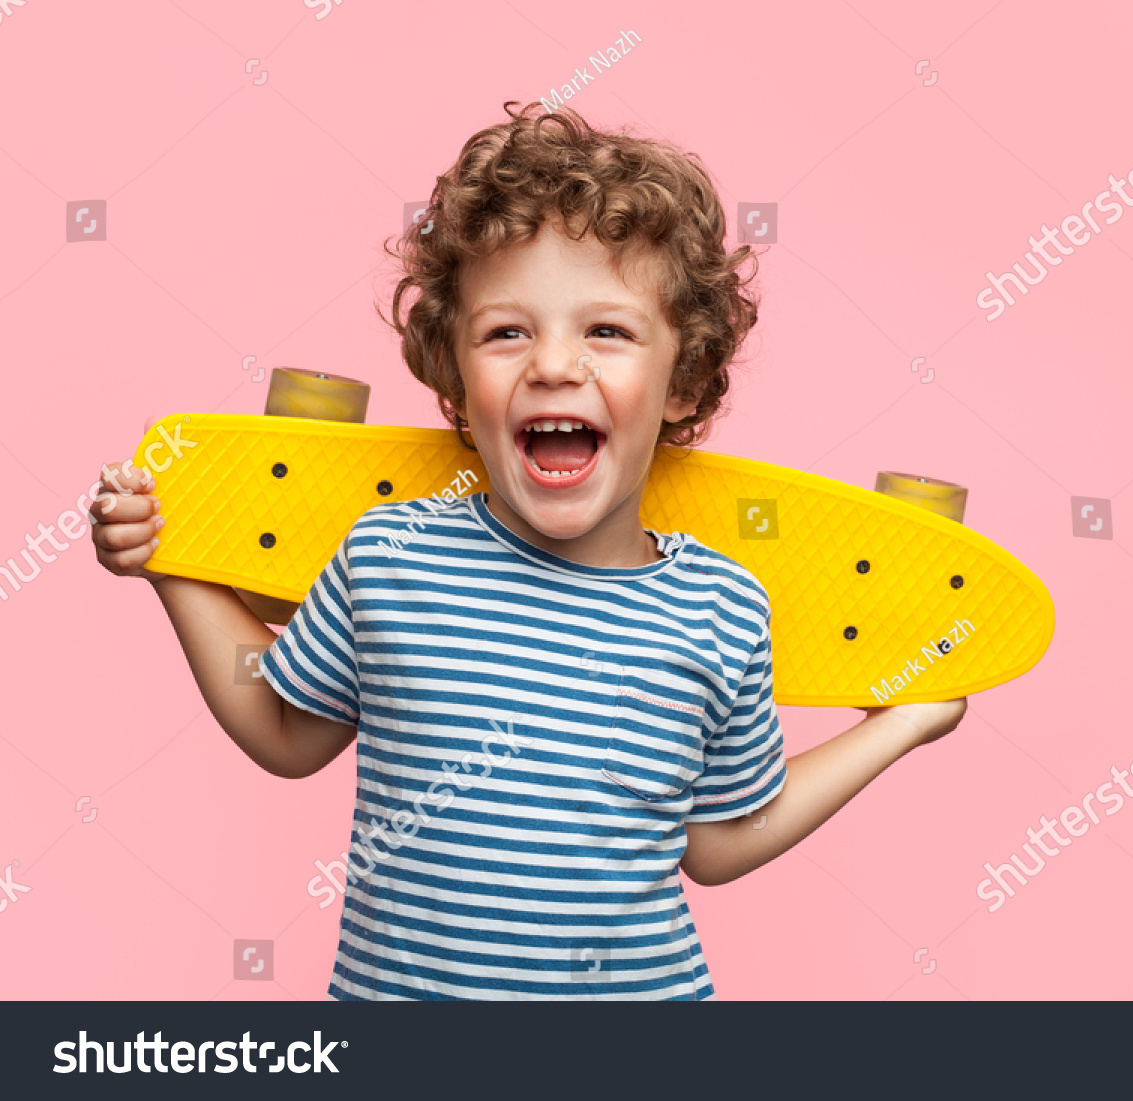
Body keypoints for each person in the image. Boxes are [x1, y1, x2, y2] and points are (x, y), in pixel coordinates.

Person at [91, 102, 966, 1000]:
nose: (554, 365)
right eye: (507, 331)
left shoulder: (723, 605)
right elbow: (285, 732)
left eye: (608, 331)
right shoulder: (393, 557)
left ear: (686, 380)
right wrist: (171, 563)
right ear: (455, 381)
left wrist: (898, 724)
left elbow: (719, 838)